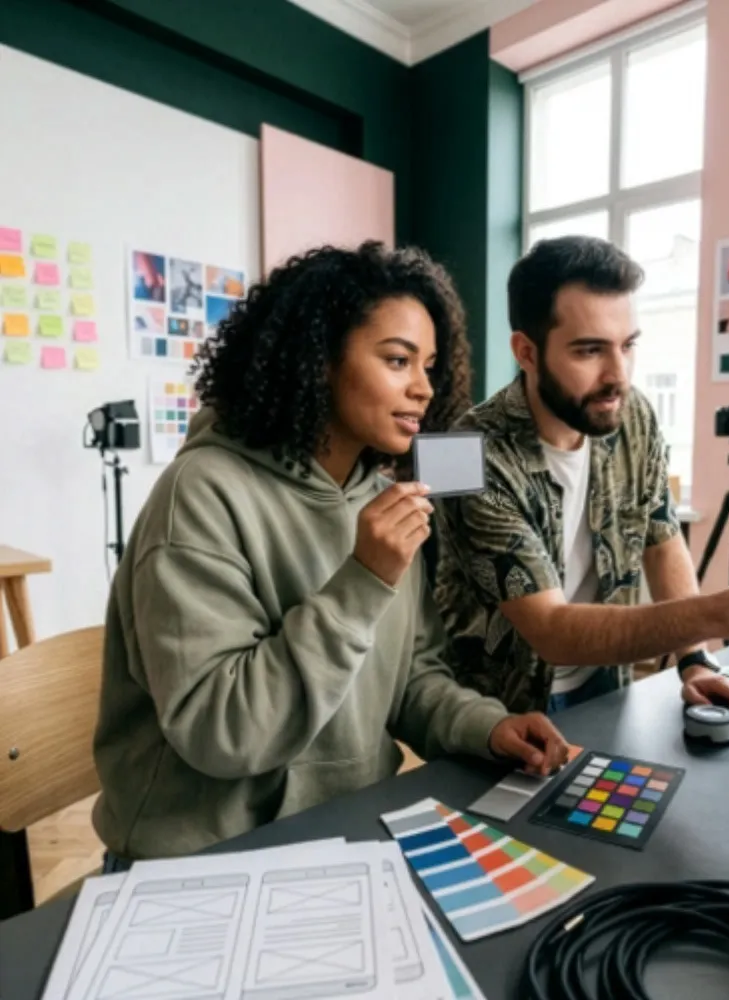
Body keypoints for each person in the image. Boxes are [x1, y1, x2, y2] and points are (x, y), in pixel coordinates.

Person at [91, 241, 568, 867]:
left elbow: (411, 678)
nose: (424, 387)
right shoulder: (200, 496)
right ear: (318, 361)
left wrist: (486, 726)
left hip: (347, 836)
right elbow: (222, 732)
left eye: (429, 365)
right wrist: (364, 580)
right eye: (398, 360)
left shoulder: (377, 496)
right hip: (208, 864)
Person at [433, 235, 729, 723]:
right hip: (488, 717)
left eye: (627, 346)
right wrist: (721, 611)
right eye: (589, 351)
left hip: (604, 687)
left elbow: (662, 538)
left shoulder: (632, 414)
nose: (619, 375)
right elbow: (550, 630)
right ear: (526, 351)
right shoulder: (452, 453)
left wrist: (695, 660)